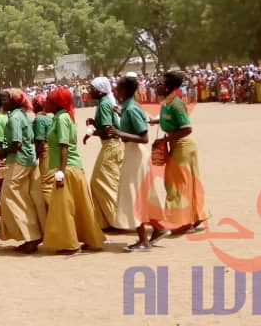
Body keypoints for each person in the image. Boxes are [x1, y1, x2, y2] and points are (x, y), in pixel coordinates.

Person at [106, 77, 167, 252]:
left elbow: (144, 137)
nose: (115, 91)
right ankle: (158, 228)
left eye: (118, 88)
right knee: (144, 195)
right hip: (134, 154)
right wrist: (120, 115)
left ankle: (143, 241)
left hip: (136, 155)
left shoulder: (131, 109)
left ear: (125, 90)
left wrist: (119, 133)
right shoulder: (128, 108)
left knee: (134, 196)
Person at [42, 87, 105, 254]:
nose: (45, 103)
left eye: (48, 100)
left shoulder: (62, 118)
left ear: (56, 103)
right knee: (80, 206)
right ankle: (89, 239)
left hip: (67, 168)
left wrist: (60, 173)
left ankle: (71, 244)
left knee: (63, 209)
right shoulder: (60, 117)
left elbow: (64, 146)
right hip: (70, 167)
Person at [151, 72, 208, 234]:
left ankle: (184, 221)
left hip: (184, 145)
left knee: (177, 182)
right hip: (176, 143)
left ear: (168, 87)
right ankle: (195, 215)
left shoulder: (176, 103)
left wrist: (163, 141)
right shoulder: (167, 102)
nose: (157, 85)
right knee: (181, 181)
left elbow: (186, 129)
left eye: (160, 82)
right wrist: (153, 121)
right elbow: (169, 119)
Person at [0, 89, 43, 254]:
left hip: (19, 160)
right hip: (27, 159)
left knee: (10, 196)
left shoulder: (15, 117)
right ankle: (32, 234)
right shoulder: (23, 114)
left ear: (14, 101)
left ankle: (32, 236)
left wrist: (2, 152)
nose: (2, 102)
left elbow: (16, 144)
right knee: (23, 198)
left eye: (5, 99)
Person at [86, 76, 124, 231]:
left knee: (101, 182)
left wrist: (92, 132)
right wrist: (95, 123)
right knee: (107, 181)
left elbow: (108, 129)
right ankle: (108, 219)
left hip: (110, 145)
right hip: (112, 145)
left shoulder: (103, 104)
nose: (90, 91)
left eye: (92, 88)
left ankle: (115, 219)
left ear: (100, 91)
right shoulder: (105, 102)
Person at [30, 94, 55, 210]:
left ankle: (52, 213)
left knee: (46, 184)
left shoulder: (38, 120)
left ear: (35, 105)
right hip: (54, 152)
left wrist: (34, 157)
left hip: (45, 152)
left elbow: (40, 142)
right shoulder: (50, 118)